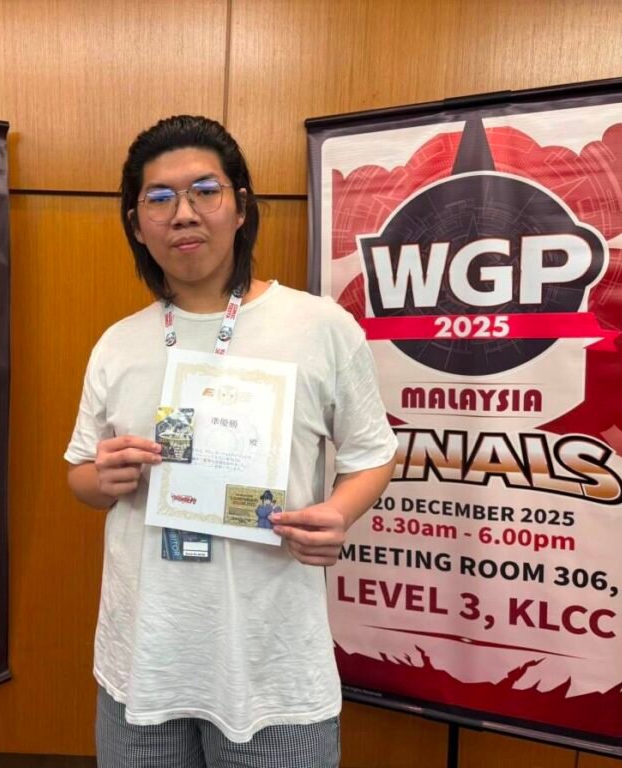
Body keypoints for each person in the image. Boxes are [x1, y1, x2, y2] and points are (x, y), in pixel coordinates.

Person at [64, 115, 397, 768]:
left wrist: (339, 512)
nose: (183, 213)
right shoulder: (118, 343)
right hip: (144, 665)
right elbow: (80, 471)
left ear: (241, 207)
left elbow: (372, 452)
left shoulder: (319, 326)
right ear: (137, 224)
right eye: (160, 198)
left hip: (274, 672)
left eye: (204, 191)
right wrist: (99, 480)